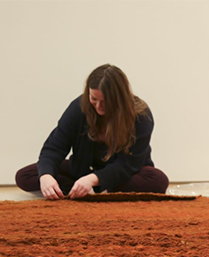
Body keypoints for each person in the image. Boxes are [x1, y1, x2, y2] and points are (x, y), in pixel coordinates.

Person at [15, 64, 169, 200]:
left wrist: (94, 179)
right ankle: (91, 191)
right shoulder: (78, 108)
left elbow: (128, 164)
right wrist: (46, 176)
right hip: (82, 169)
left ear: (120, 99)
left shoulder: (141, 115)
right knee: (26, 175)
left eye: (105, 102)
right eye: (94, 99)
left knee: (157, 180)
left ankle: (89, 189)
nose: (99, 107)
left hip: (124, 173)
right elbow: (54, 147)